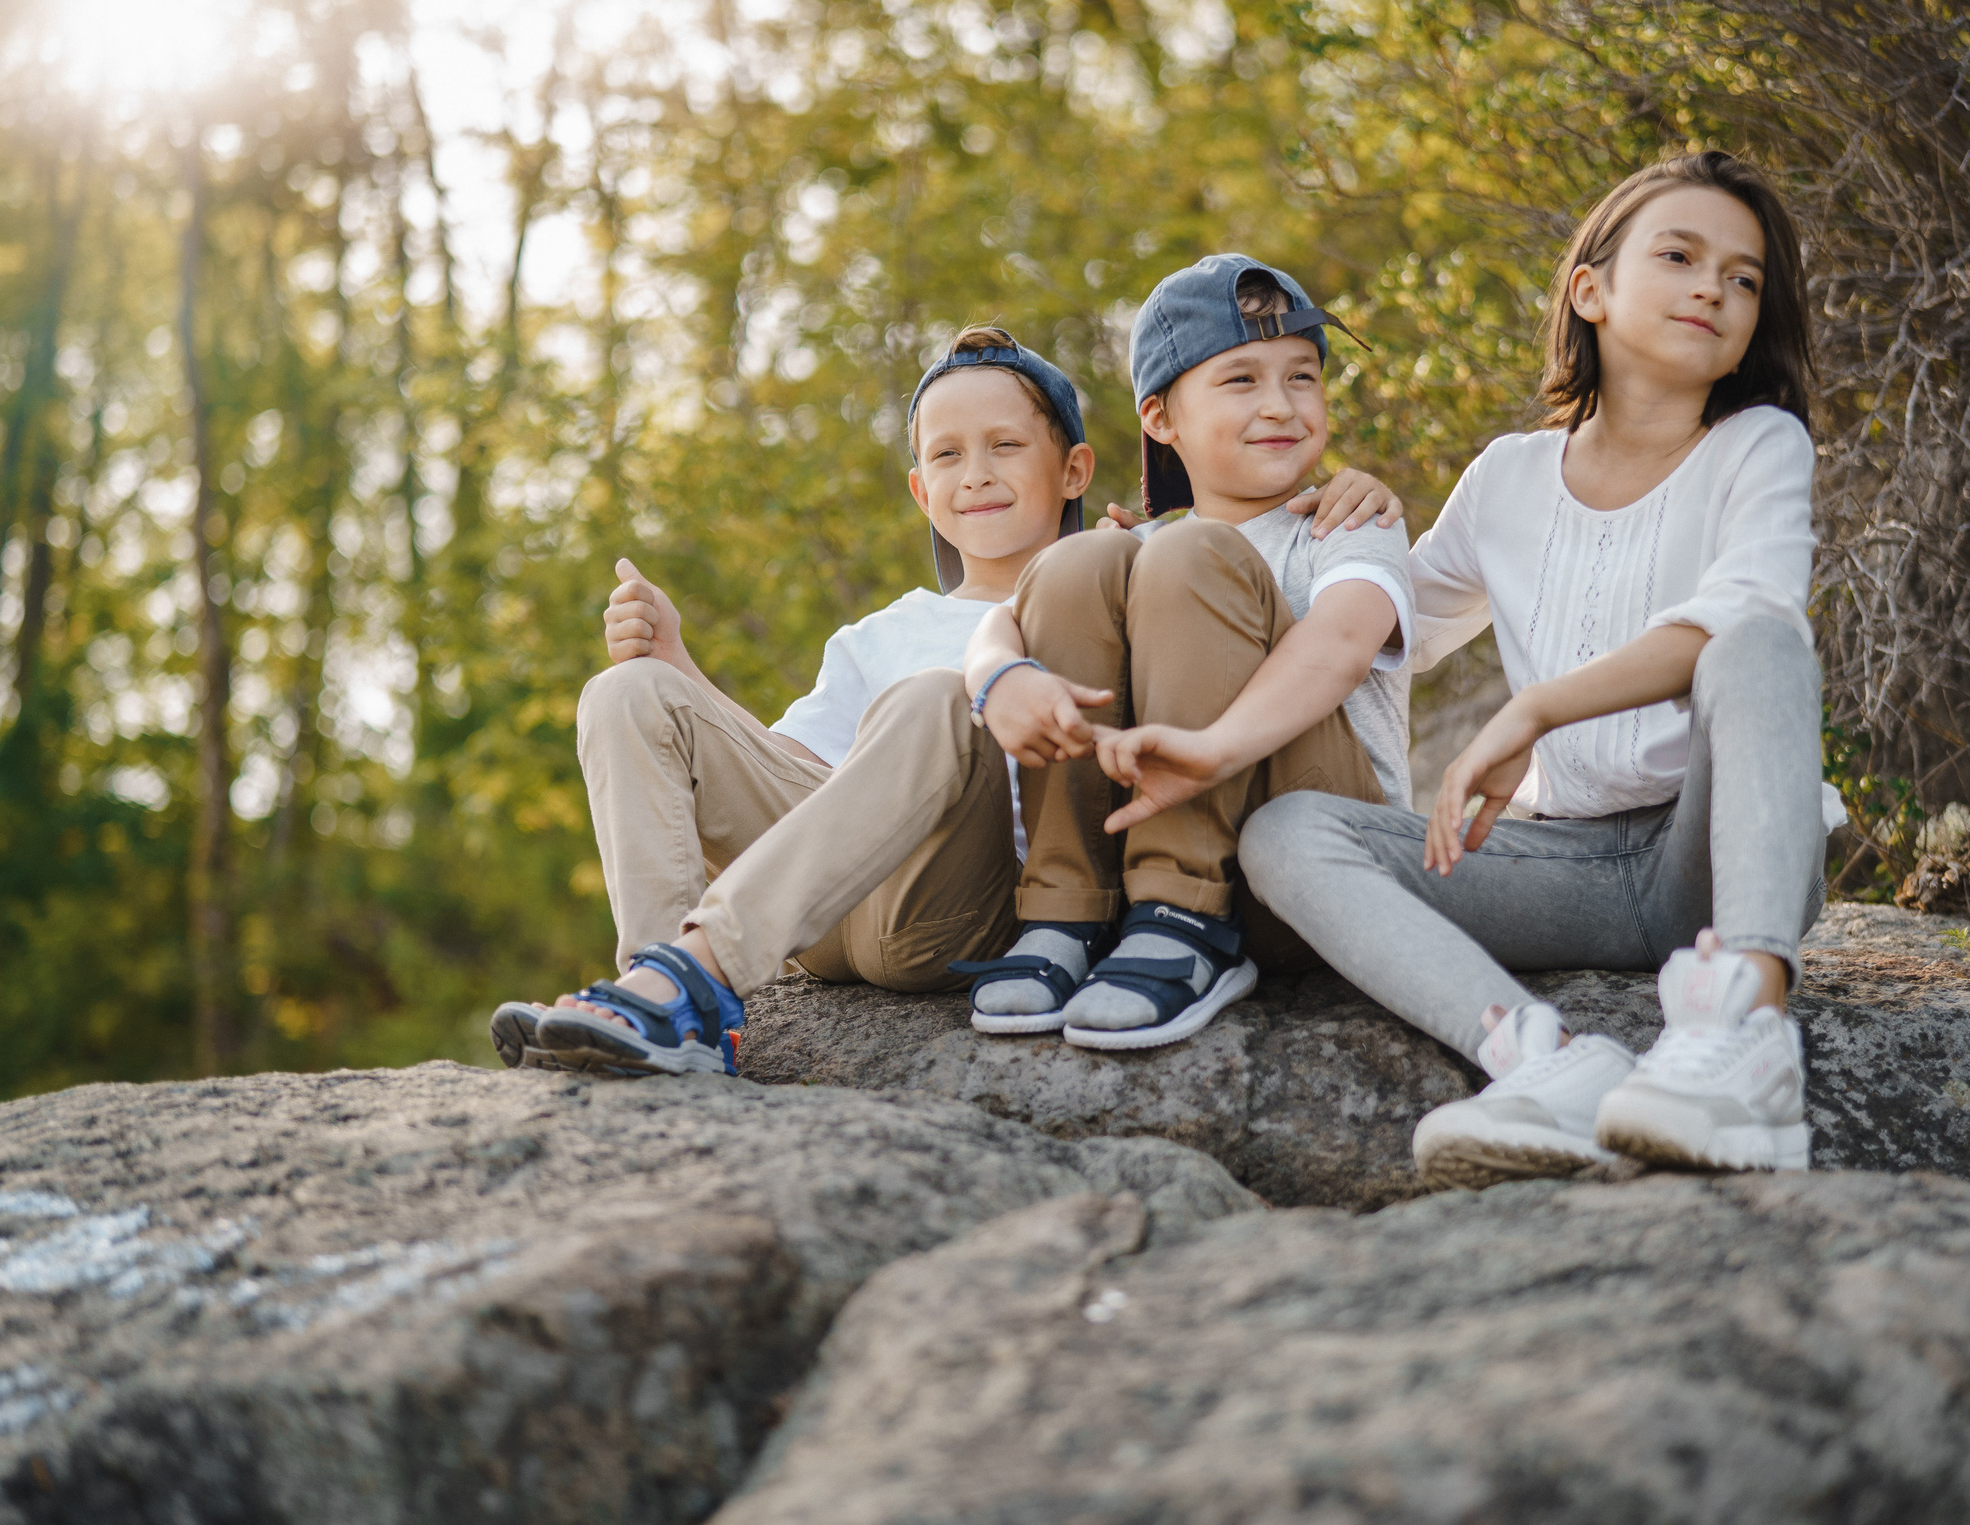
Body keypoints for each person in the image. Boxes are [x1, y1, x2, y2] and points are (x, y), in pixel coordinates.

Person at [492, 323, 1401, 1076]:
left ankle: (695, 974)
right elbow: (802, 784)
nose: (978, 474)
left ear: (1075, 471)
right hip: (828, 913)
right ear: (922, 490)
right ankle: (659, 1007)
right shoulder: (877, 632)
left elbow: (1218, 569)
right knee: (627, 693)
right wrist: (678, 665)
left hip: (958, 906)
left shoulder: (1117, 584)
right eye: (949, 456)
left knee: (934, 700)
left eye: (1007, 446)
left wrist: (1333, 491)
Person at [1239, 151, 1844, 1182]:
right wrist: (1211, 549)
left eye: (1744, 279)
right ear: (1590, 290)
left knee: (1759, 640)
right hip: (1568, 873)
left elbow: (1741, 617)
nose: (1714, 286)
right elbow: (1393, 627)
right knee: (1287, 835)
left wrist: (1532, 713)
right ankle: (1549, 1062)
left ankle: (1749, 1035)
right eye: (1680, 255)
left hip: (1710, 851)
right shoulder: (1509, 476)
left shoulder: (1759, 447)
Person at [956, 254, 1415, 1049]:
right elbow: (1003, 621)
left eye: (1302, 377)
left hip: (1322, 864)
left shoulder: (1347, 523)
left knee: (1190, 553)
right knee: (1075, 562)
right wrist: (999, 677)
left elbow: (1342, 642)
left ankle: (1183, 911)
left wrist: (1208, 752)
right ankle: (1071, 909)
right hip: (1139, 881)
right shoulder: (1136, 548)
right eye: (1240, 380)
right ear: (1161, 418)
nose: (1281, 405)